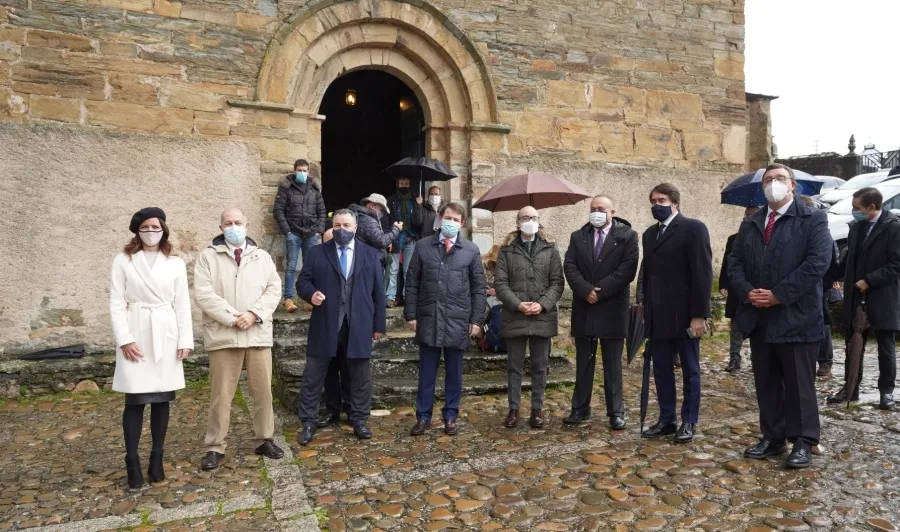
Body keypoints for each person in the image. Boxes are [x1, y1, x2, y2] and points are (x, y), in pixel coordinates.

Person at [728, 163, 831, 469]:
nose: (774, 183)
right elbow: (734, 262)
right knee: (767, 382)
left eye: (780, 179)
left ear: (792, 186)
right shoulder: (752, 223)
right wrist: (748, 292)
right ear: (762, 189)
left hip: (796, 316)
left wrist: (778, 295)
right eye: (768, 180)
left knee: (799, 384)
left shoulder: (812, 218)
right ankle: (773, 436)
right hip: (760, 317)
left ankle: (803, 441)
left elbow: (817, 263)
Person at [194, 208, 284, 470]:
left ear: (247, 225)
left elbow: (273, 289)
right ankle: (214, 445)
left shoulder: (262, 256)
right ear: (221, 227)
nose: (234, 227)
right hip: (224, 334)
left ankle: (264, 439)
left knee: (263, 392)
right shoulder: (207, 257)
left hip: (256, 334)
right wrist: (233, 317)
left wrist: (254, 313)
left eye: (238, 222)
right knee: (221, 395)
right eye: (228, 223)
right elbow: (203, 293)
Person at [109, 208, 193, 489]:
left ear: (164, 230)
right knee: (135, 400)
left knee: (161, 400)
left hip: (165, 333)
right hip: (136, 330)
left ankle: (157, 457)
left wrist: (185, 340)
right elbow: (117, 302)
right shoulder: (124, 260)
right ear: (137, 230)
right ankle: (131, 461)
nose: (150, 231)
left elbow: (182, 304)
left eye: (155, 226)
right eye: (145, 227)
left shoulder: (174, 263)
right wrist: (125, 338)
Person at [295, 209, 387, 445]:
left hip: (359, 325)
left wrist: (378, 325)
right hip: (325, 323)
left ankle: (359, 419)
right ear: (331, 227)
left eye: (346, 225)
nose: (341, 229)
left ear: (355, 228)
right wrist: (310, 294)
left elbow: (378, 293)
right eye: (337, 225)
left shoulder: (370, 255)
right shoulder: (317, 253)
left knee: (360, 375)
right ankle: (308, 422)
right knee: (314, 375)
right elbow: (303, 281)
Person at [640, 183, 712, 444]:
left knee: (690, 369)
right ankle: (666, 418)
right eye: (653, 200)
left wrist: (699, 314)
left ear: (675, 202)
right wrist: (645, 307)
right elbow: (647, 275)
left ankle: (689, 420)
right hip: (658, 315)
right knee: (661, 369)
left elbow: (702, 274)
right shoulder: (649, 234)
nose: (656, 205)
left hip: (685, 315)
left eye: (661, 199)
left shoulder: (693, 228)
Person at [406, 202, 486, 436]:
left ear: (462, 224)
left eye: (456, 219)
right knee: (426, 373)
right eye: (447, 218)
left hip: (458, 319)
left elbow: (478, 288)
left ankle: (450, 414)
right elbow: (412, 283)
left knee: (454, 373)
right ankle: (423, 416)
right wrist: (411, 314)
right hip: (429, 317)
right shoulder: (423, 247)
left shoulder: (471, 250)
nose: (451, 222)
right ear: (440, 219)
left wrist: (477, 319)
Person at [563, 195, 639, 429]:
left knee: (612, 363)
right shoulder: (578, 236)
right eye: (593, 208)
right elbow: (570, 266)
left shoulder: (627, 236)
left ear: (612, 211)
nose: (597, 212)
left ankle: (616, 411)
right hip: (585, 306)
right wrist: (586, 290)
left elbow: (628, 270)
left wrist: (601, 291)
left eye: (601, 209)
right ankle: (580, 408)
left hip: (612, 307)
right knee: (584, 363)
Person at [828, 187, 900, 409]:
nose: (853, 211)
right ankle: (850, 387)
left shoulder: (893, 228)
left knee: (885, 347)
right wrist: (834, 274)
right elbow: (850, 257)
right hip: (855, 296)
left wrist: (870, 280)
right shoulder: (856, 227)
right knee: (853, 344)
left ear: (872, 207)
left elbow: (896, 264)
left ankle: (886, 392)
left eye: (856, 208)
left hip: (882, 296)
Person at [494, 206, 564, 429]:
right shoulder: (506, 251)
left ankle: (537, 409)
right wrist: (517, 304)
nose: (530, 221)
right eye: (525, 217)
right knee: (514, 366)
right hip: (515, 315)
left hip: (541, 316)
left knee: (540, 366)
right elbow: (500, 283)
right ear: (518, 222)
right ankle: (513, 410)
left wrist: (542, 305)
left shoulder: (550, 249)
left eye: (533, 217)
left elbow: (557, 282)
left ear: (539, 220)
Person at [273, 159, 327, 313]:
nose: (302, 173)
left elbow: (322, 211)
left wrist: (318, 230)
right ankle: (288, 299)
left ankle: (309, 298)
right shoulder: (286, 188)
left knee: (310, 267)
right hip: (294, 232)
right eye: (299, 170)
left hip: (311, 233)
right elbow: (278, 210)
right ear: (294, 170)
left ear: (308, 172)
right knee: (291, 266)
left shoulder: (314, 189)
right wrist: (287, 231)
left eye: (305, 170)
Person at [720, 206, 760, 372]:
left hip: (757, 289)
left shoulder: (765, 239)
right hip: (738, 289)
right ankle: (734, 358)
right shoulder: (734, 239)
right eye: (746, 215)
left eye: (751, 215)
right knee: (736, 326)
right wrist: (723, 284)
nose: (748, 218)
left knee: (757, 326)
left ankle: (757, 358)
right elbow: (727, 263)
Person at [386, 177, 422, 307]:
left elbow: (419, 221)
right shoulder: (391, 200)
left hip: (411, 238)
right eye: (402, 183)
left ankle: (408, 297)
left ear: (410, 184)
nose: (404, 185)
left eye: (406, 183)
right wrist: (389, 236)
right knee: (392, 269)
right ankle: (390, 297)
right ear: (397, 184)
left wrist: (418, 206)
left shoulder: (415, 199)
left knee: (409, 270)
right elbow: (388, 219)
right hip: (396, 238)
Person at [349, 193, 402, 263]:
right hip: (369, 261)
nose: (382, 213)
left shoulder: (358, 216)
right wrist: (396, 229)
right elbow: (381, 241)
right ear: (373, 206)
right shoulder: (369, 221)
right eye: (381, 209)